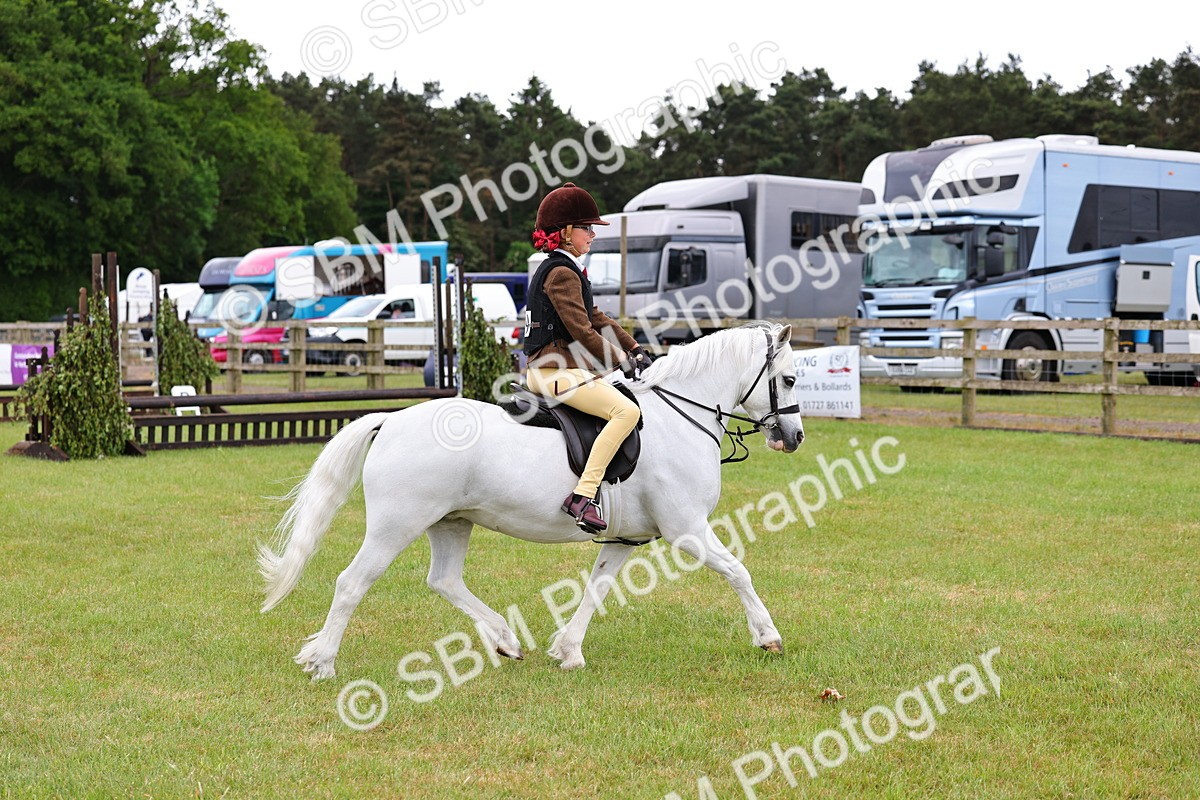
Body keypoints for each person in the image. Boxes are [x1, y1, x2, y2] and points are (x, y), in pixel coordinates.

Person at [523, 183, 653, 534]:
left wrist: (634, 348)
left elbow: (597, 316)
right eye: (587, 228)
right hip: (553, 371)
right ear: (566, 233)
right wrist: (620, 360)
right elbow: (583, 331)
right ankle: (583, 494)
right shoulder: (562, 273)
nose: (593, 234)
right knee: (626, 411)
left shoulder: (566, 269)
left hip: (553, 368)